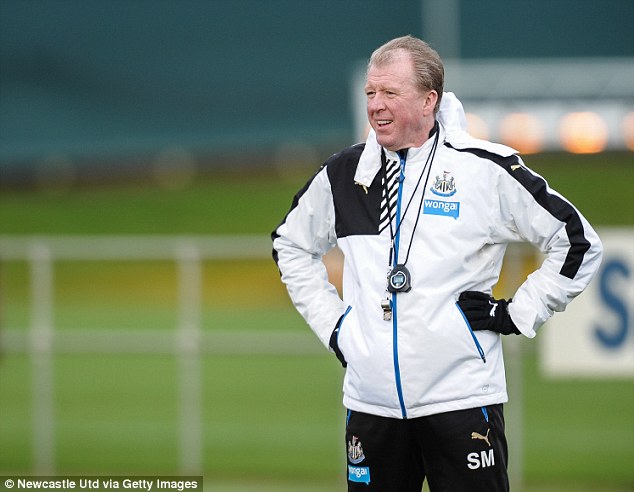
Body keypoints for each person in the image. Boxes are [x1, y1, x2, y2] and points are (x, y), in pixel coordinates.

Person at [271, 35, 602, 491]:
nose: (376, 106)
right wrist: (336, 327)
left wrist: (516, 313)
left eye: (390, 93)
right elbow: (289, 245)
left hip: (463, 401)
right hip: (372, 406)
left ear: (430, 100)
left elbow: (578, 242)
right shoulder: (343, 174)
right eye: (370, 93)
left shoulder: (485, 169)